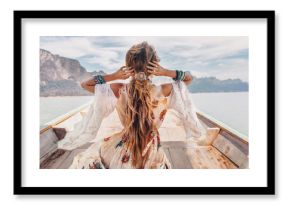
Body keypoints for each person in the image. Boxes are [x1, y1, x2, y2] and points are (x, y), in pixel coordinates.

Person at [57, 41, 219, 169]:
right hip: (151, 150)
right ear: (154, 67)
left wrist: (114, 75)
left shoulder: (119, 89)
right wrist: (166, 72)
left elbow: (86, 84)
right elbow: (188, 78)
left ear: (129, 67)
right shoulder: (165, 90)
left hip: (122, 147)